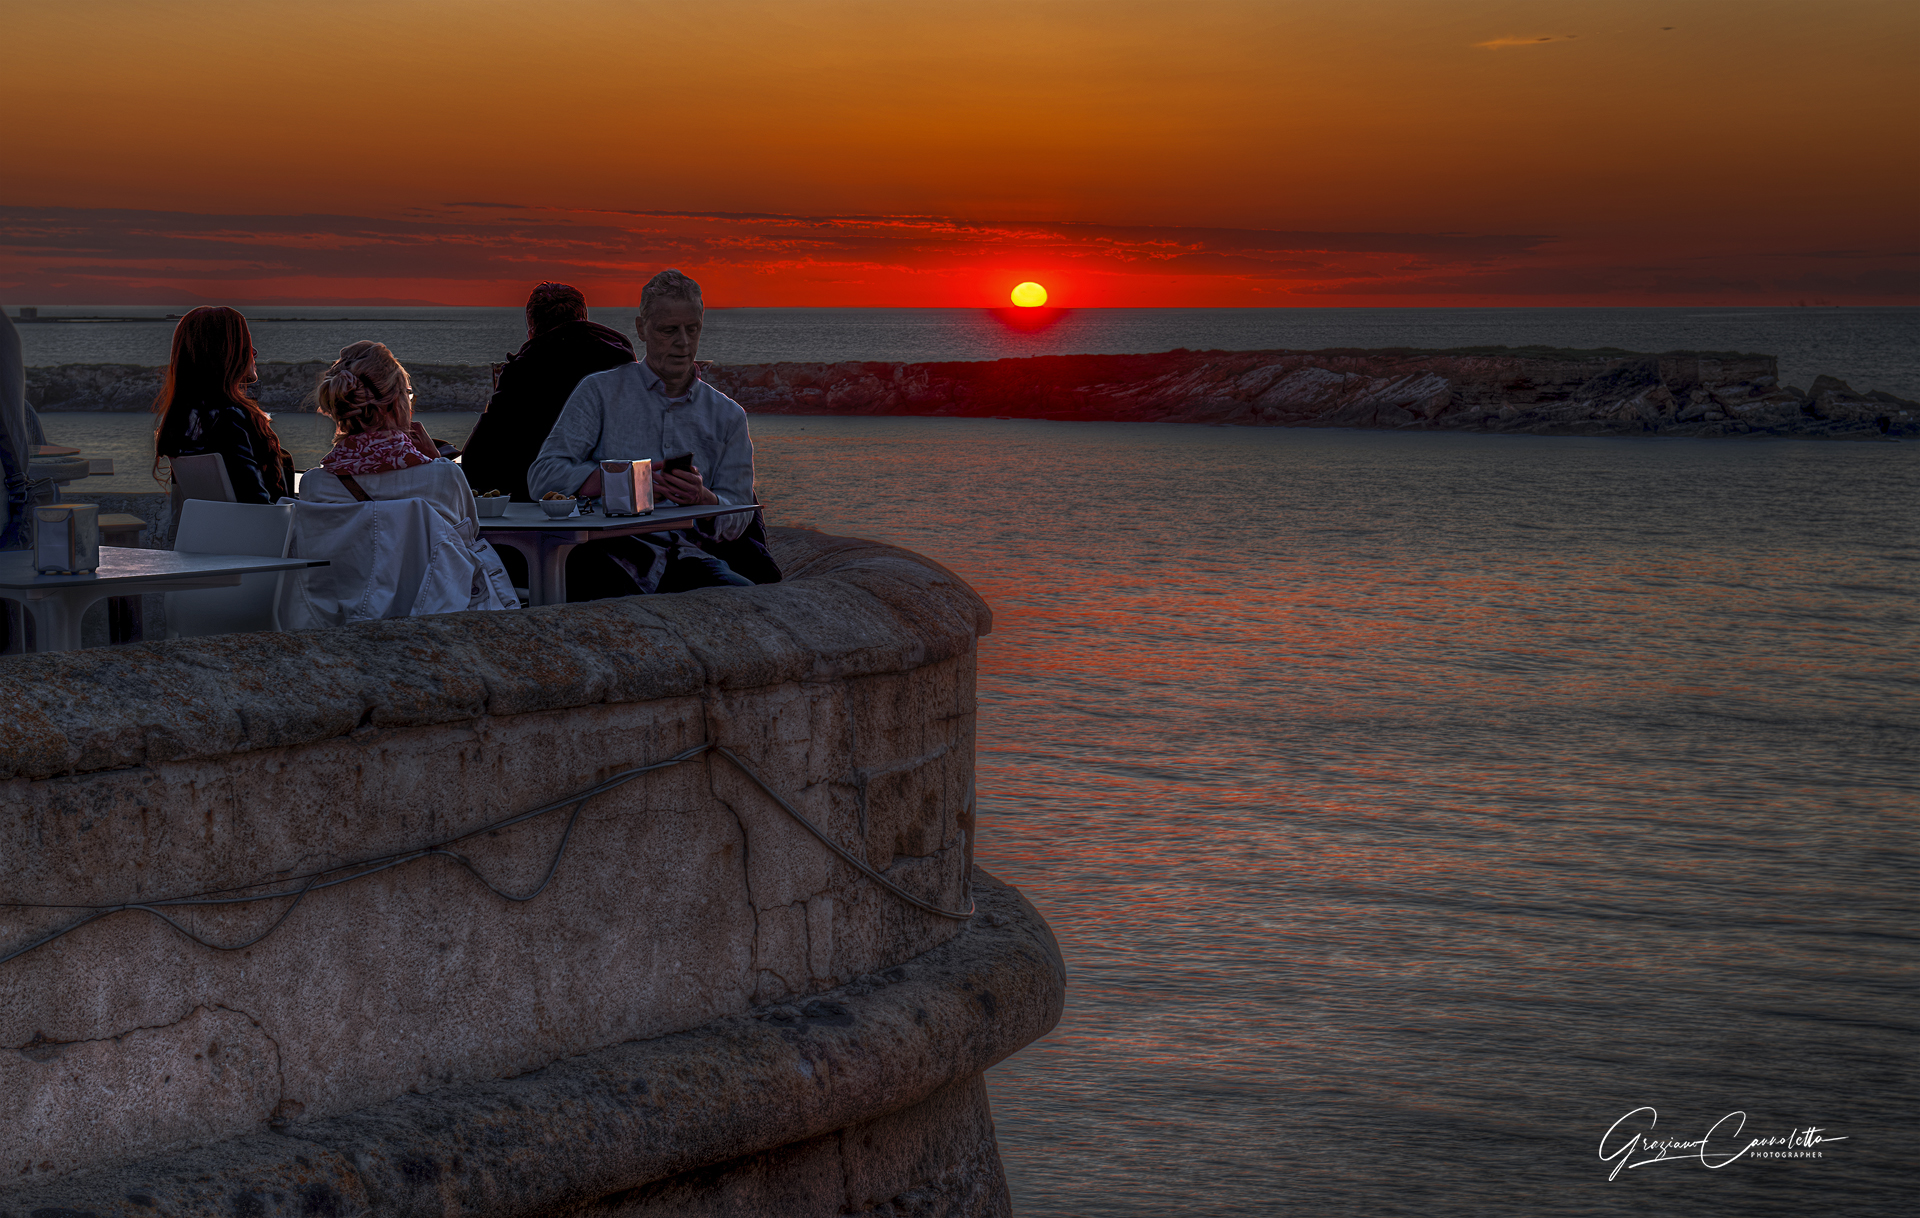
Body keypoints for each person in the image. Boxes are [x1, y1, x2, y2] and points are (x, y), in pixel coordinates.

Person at [528, 269, 779, 598]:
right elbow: (542, 478)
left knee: (745, 606)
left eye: (692, 329)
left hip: (687, 559)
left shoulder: (727, 415)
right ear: (641, 329)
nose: (683, 342)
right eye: (668, 330)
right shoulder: (600, 393)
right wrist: (622, 480)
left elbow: (741, 514)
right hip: (606, 559)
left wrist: (705, 500)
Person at [296, 340, 516, 613]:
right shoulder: (443, 478)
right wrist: (435, 459)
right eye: (408, 395)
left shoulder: (314, 486)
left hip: (340, 627)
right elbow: (463, 550)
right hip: (428, 621)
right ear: (397, 402)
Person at [457, 282, 635, 502]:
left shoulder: (525, 370)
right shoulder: (622, 359)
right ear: (585, 318)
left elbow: (477, 465)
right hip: (624, 497)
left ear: (532, 331)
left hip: (545, 506)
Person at [152, 306, 293, 504]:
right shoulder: (229, 420)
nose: (254, 353)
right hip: (262, 531)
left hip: (216, 531)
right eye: (247, 345)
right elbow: (256, 504)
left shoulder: (182, 421)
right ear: (229, 353)